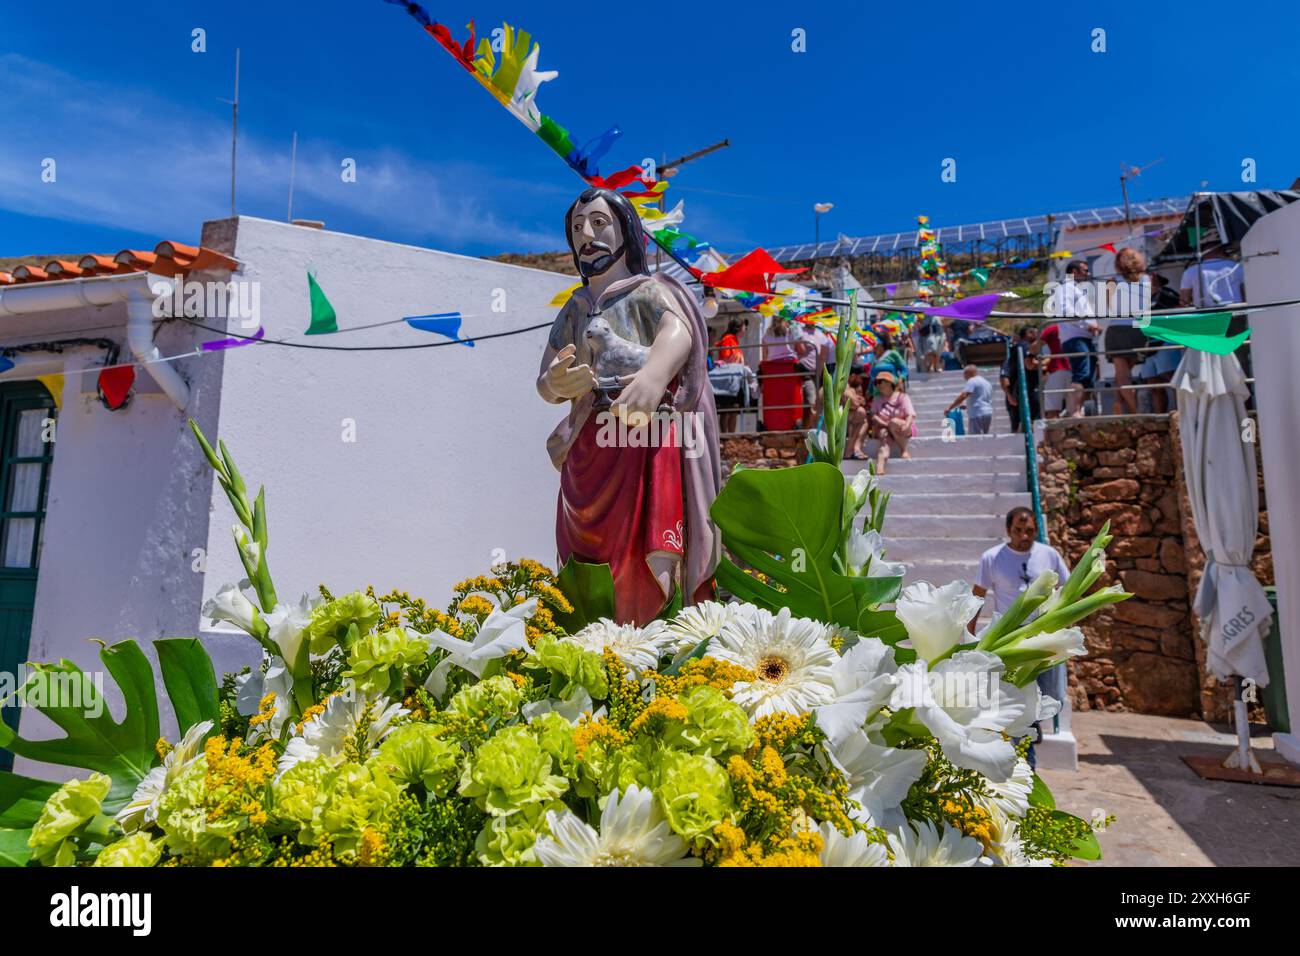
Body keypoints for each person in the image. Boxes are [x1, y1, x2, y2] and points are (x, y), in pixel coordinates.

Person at [538, 186, 720, 625]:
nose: (587, 235)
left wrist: (654, 377)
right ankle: (594, 630)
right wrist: (555, 381)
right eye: (578, 228)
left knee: (648, 545)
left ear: (625, 232)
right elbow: (546, 380)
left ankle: (652, 632)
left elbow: (679, 332)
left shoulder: (650, 290)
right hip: (588, 449)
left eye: (599, 224)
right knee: (585, 544)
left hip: (645, 440)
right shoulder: (575, 308)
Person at [972, 507, 1074, 763]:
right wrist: (969, 634)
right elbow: (978, 595)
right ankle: (1024, 752)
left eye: (1029, 530)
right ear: (1009, 531)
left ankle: (1033, 724)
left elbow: (1068, 588)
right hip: (1011, 638)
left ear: (1035, 530)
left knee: (1049, 692)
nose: (1024, 536)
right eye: (1018, 530)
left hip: (1043, 635)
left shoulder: (1048, 555)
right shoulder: (992, 557)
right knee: (1014, 697)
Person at [1046, 260, 1100, 417]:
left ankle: (1079, 410)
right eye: (1084, 270)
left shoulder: (1078, 290)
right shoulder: (1065, 289)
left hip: (1085, 337)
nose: (1088, 273)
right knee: (1081, 373)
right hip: (1075, 338)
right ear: (1074, 272)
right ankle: (1074, 411)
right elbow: (1066, 311)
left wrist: (1093, 326)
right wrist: (1086, 324)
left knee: (1088, 377)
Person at [1103, 247, 1152, 415]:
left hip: (1117, 328)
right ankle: (1118, 401)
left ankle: (1135, 411)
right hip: (1138, 330)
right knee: (1125, 373)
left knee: (1122, 375)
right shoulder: (1147, 279)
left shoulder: (1112, 281)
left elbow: (1107, 307)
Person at [759, 315, 811, 431]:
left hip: (772, 372)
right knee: (792, 399)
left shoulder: (767, 335)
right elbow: (802, 350)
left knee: (774, 401)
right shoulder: (791, 330)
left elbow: (765, 357)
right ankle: (794, 421)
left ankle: (772, 424)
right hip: (789, 370)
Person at [1145, 273, 1181, 413]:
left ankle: (1180, 412)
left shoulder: (1168, 294)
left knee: (1172, 378)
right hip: (1149, 346)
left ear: (1155, 278)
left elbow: (1179, 310)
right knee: (1153, 383)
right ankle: (1161, 416)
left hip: (1165, 342)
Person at [867, 369, 915, 474]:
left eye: (880, 382)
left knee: (893, 422)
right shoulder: (877, 399)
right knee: (884, 442)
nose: (877, 385)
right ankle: (880, 469)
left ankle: (904, 450)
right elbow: (873, 415)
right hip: (884, 427)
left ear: (889, 383)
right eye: (876, 383)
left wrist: (906, 426)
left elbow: (910, 415)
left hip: (901, 427)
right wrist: (884, 424)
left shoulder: (902, 397)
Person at [1001, 326, 1040, 431]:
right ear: (1029, 334)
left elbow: (1004, 376)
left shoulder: (1013, 352)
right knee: (1029, 422)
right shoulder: (1025, 347)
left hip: (1019, 393)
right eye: (1035, 332)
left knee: (1020, 425)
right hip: (1027, 391)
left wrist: (1009, 395)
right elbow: (1029, 365)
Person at [944, 364, 994, 434]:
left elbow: (964, 395)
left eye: (964, 374)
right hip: (987, 412)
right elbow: (981, 398)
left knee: (975, 439)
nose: (964, 377)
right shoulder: (986, 382)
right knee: (984, 437)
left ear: (968, 373)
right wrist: (968, 406)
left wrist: (950, 407)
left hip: (977, 413)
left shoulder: (972, 380)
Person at [1038, 323, 1072, 419]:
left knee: (1052, 411)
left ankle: (1053, 433)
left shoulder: (1052, 328)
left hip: (1057, 369)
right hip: (1076, 370)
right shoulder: (1079, 326)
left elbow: (1036, 346)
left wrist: (1030, 355)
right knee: (1074, 410)